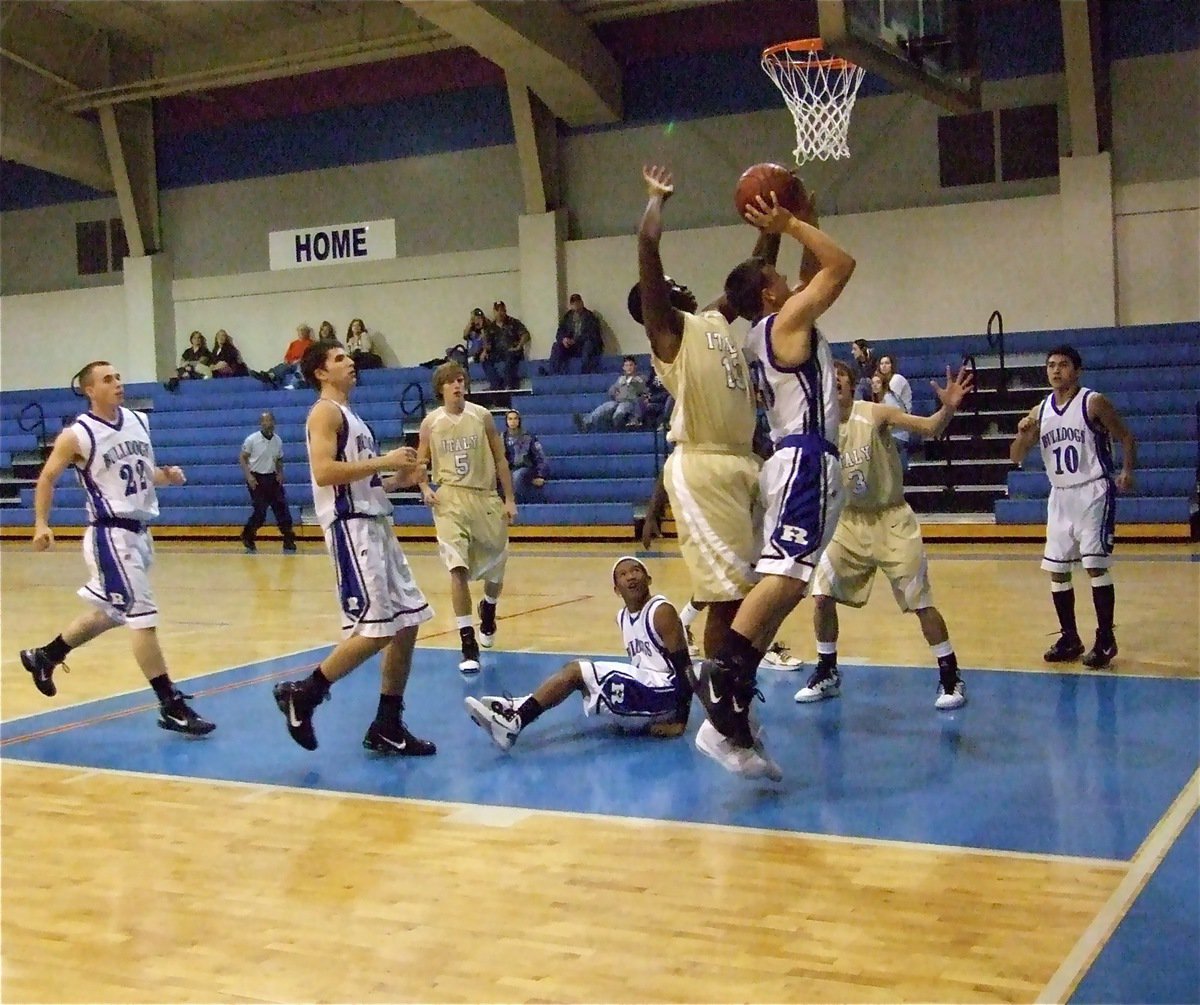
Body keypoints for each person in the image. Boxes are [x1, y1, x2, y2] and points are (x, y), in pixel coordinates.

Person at [689, 184, 856, 780]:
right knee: (784, 580)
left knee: (786, 586)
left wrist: (804, 215)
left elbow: (814, 267)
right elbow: (840, 265)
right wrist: (787, 223)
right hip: (805, 458)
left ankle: (734, 694)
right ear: (768, 293)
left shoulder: (770, 325)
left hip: (802, 461)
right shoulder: (785, 321)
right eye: (777, 276)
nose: (789, 277)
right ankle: (719, 682)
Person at [634, 164, 805, 692]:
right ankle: (719, 694)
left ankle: (736, 678)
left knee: (758, 585)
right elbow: (647, 249)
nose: (678, 286)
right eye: (667, 288)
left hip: (742, 462)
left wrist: (771, 222)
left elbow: (754, 279)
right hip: (704, 467)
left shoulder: (709, 321)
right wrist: (656, 203)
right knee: (725, 595)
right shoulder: (668, 338)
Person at [18, 360, 216, 736]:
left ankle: (45, 656)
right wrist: (41, 524)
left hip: (140, 533)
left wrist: (165, 476)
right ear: (89, 389)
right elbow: (46, 477)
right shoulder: (78, 434)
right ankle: (170, 704)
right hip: (110, 534)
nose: (117, 383)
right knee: (142, 617)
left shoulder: (139, 421)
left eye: (118, 377)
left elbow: (141, 472)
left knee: (110, 612)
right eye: (107, 379)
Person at [270, 339, 436, 755]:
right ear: (320, 373)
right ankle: (303, 693)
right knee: (377, 628)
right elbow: (324, 472)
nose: (350, 363)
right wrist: (385, 461)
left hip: (376, 522)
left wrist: (402, 477)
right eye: (340, 358)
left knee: (408, 620)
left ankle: (387, 722)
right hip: (351, 528)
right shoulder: (324, 412)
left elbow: (365, 481)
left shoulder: (351, 416)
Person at [800, 359, 974, 710]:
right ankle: (828, 670)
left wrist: (948, 408)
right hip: (848, 522)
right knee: (821, 592)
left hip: (891, 519)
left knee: (920, 601)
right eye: (828, 378)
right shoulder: (819, 425)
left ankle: (950, 674)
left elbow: (929, 428)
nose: (834, 382)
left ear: (852, 384)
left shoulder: (875, 413)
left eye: (841, 377)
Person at [464, 556, 693, 750]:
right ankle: (516, 708)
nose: (631, 577)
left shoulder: (661, 611)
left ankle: (514, 722)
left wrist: (680, 721)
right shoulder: (622, 617)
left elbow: (685, 668)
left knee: (578, 671)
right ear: (616, 589)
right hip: (648, 691)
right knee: (580, 675)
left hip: (666, 694)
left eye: (636, 571)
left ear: (649, 579)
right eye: (623, 575)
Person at [1008, 345, 1136, 668]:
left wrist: (1127, 471)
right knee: (1057, 569)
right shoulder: (1041, 410)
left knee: (1094, 564)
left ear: (1076, 371)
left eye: (1062, 365)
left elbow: (1126, 436)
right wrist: (1024, 436)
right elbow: (1015, 456)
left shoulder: (1093, 402)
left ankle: (1106, 639)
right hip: (1060, 495)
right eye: (1050, 365)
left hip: (1093, 490)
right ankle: (1070, 637)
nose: (1055, 371)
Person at [416, 361, 517, 674]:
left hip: (484, 496)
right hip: (449, 498)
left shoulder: (482, 416)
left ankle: (488, 608)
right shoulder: (430, 423)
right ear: (441, 388)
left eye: (461, 380)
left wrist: (510, 498)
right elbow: (421, 461)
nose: (458, 385)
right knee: (456, 567)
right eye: (451, 381)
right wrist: (423, 486)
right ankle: (466, 640)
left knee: (496, 571)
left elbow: (500, 457)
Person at [239, 410, 297, 553]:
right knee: (260, 511)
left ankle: (288, 538)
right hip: (257, 478)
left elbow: (279, 459)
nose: (268, 423)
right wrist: (249, 476)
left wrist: (280, 473)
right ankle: (248, 535)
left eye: (270, 420)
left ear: (274, 423)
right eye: (265, 421)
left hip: (272, 477)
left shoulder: (277, 440)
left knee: (282, 509)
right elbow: (242, 458)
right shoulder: (252, 439)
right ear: (261, 423)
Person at [573, 355, 648, 432]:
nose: (629, 367)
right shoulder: (620, 379)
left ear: (635, 366)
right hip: (617, 402)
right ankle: (586, 422)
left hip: (630, 403)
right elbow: (611, 391)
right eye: (626, 365)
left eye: (631, 365)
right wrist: (615, 391)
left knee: (620, 410)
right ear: (623, 368)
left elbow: (644, 390)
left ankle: (618, 427)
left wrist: (634, 382)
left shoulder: (641, 378)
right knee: (605, 407)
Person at [546, 293, 602, 375]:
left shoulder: (590, 317)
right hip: (571, 346)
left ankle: (584, 374)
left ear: (582, 303)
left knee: (588, 345)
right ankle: (553, 373)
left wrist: (575, 340)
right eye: (573, 303)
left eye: (578, 302)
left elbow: (592, 334)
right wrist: (564, 339)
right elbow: (559, 332)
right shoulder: (567, 317)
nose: (576, 305)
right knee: (556, 346)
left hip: (583, 345)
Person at [876, 353, 914, 468]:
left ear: (892, 365)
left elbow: (891, 409)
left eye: (887, 363)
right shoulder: (880, 382)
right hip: (889, 429)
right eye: (881, 363)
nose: (884, 366)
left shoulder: (897, 379)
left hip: (900, 428)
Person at [502, 409, 549, 503]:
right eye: (510, 419)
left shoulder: (529, 437)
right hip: (508, 468)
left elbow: (540, 457)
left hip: (526, 467)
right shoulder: (501, 437)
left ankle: (517, 504)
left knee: (517, 476)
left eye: (515, 419)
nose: (513, 421)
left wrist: (541, 475)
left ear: (519, 421)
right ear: (506, 421)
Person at [483, 301, 531, 390]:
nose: (500, 313)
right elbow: (488, 343)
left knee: (510, 356)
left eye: (502, 310)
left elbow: (525, 335)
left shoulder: (514, 322)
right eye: (498, 311)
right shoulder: (491, 327)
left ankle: (509, 385)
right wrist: (485, 351)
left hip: (512, 351)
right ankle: (495, 385)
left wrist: (519, 346)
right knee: (484, 360)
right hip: (498, 353)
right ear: (494, 312)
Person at [265, 324, 314, 389]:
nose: (301, 332)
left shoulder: (311, 343)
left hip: (301, 363)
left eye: (303, 330)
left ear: (307, 332)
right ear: (297, 332)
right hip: (290, 364)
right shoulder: (293, 343)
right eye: (300, 330)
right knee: (282, 365)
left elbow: (310, 357)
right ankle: (268, 375)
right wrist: (286, 360)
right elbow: (287, 356)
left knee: (299, 366)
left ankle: (293, 384)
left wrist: (298, 360)